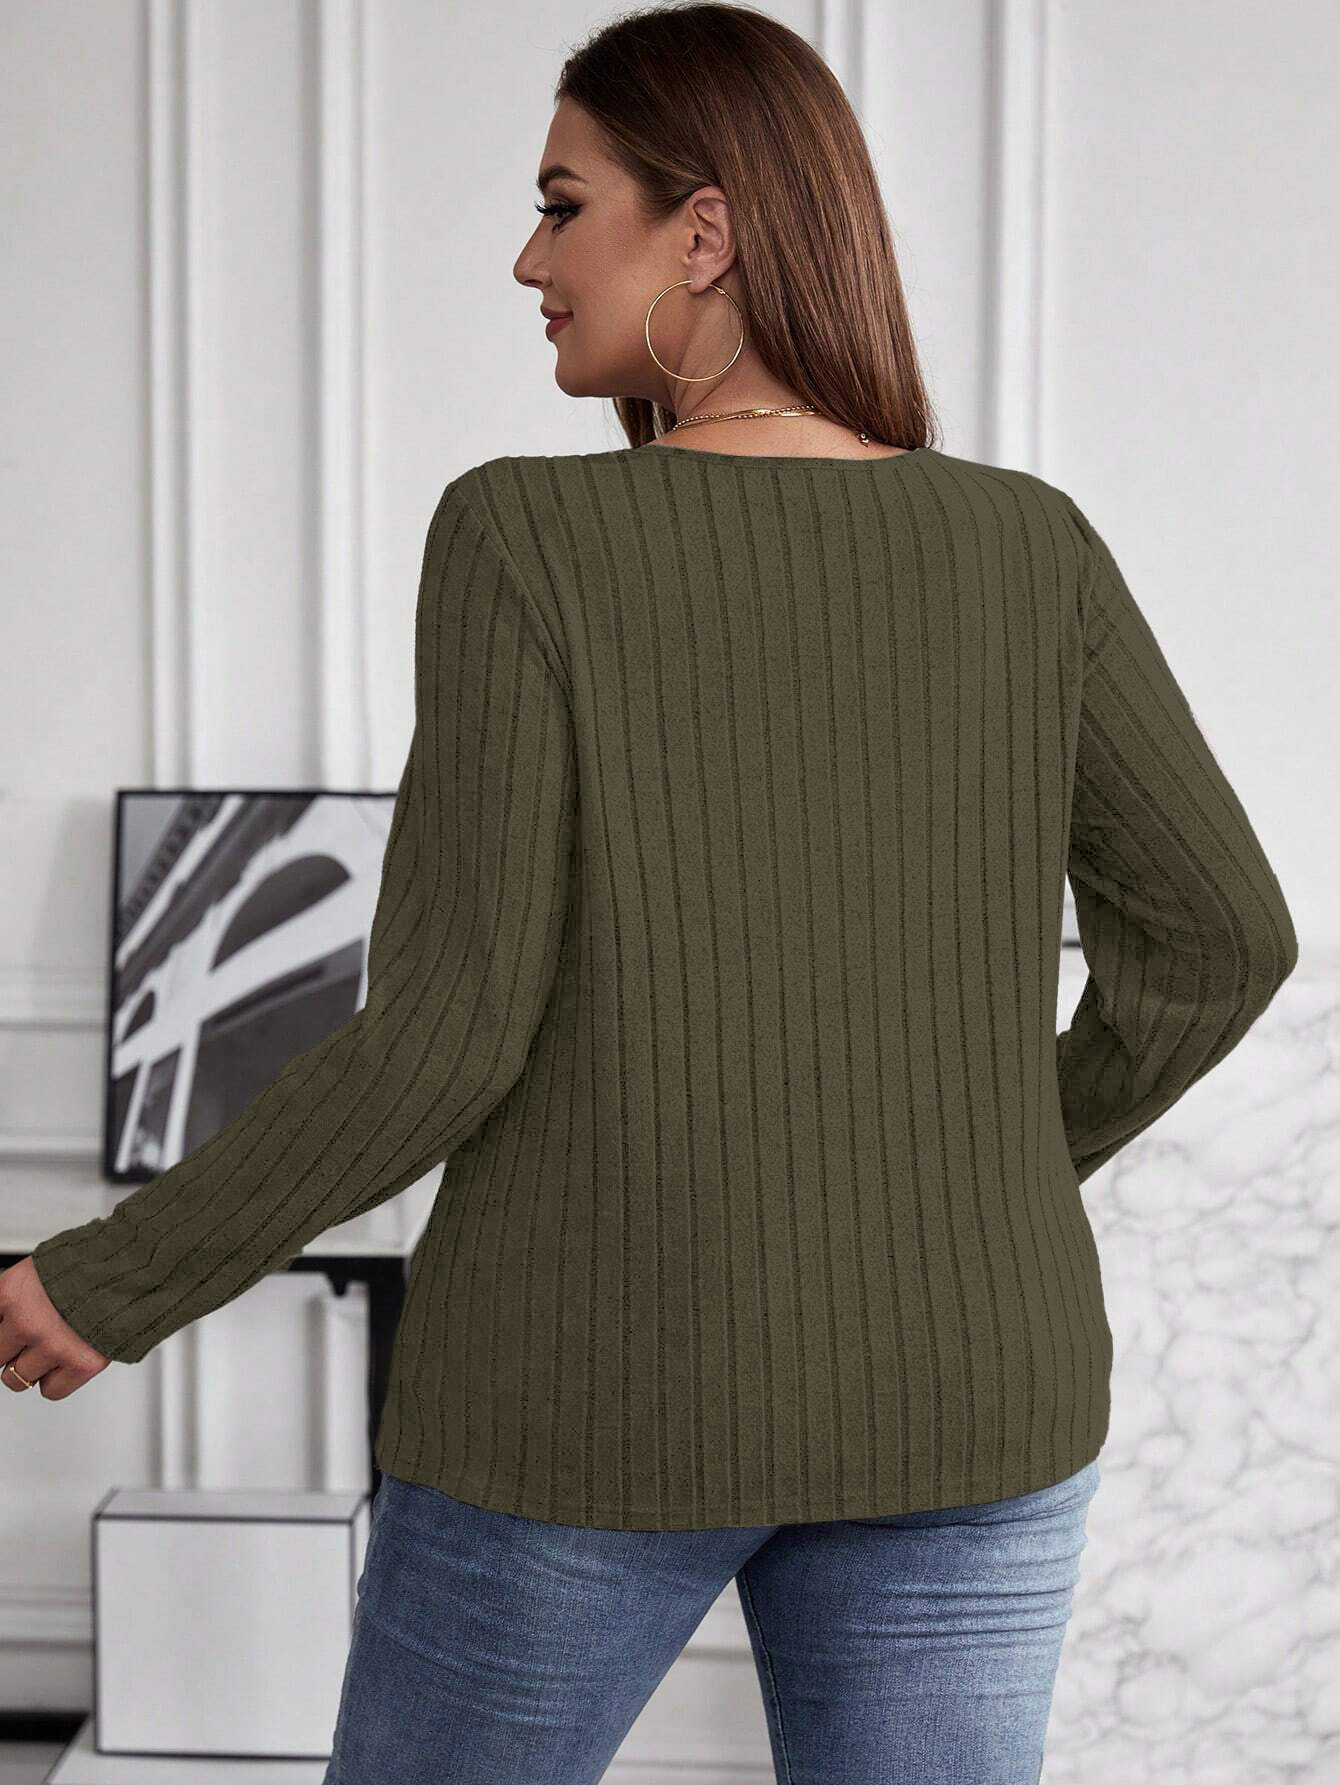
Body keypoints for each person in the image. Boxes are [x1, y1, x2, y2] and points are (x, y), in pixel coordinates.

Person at [1, 4, 1297, 1781]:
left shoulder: (527, 537)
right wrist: (971, 1180)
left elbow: (447, 1032)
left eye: (562, 206)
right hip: (970, 1387)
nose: (527, 261)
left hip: (585, 1388)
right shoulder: (1032, 547)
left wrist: (115, 1276)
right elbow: (1225, 940)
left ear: (705, 233)